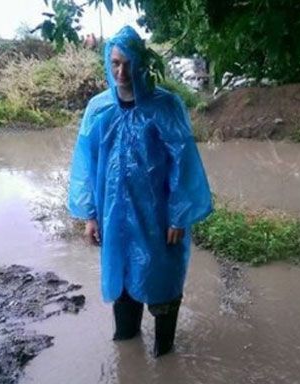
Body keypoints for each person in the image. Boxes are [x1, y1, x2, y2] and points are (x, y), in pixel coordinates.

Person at [67, 26, 212, 357]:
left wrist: (179, 215)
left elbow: (183, 162)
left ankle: (164, 352)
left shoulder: (166, 106)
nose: (121, 72)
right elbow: (85, 166)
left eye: (128, 64)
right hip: (114, 216)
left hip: (158, 217)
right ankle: (128, 348)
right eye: (115, 63)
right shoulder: (99, 109)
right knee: (123, 282)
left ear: (142, 64)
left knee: (162, 281)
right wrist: (90, 215)